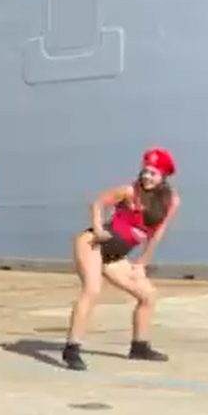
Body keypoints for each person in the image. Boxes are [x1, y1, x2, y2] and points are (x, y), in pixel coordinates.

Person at [62, 147, 180, 370]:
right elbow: (97, 203)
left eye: (153, 173)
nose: (146, 176)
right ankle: (72, 348)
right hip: (93, 244)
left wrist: (142, 263)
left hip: (116, 256)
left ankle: (140, 347)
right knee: (92, 290)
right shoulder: (128, 191)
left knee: (148, 295)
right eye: (145, 171)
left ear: (163, 176)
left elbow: (157, 234)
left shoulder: (171, 201)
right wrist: (97, 228)